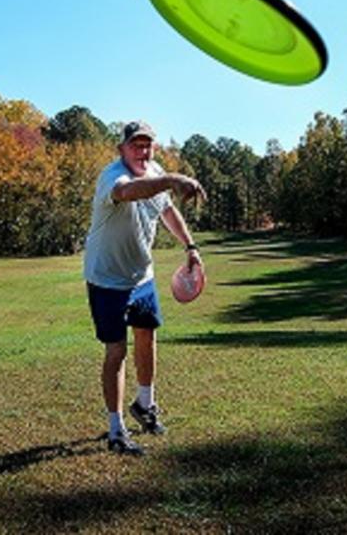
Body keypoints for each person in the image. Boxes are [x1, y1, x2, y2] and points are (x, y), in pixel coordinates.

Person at [83, 120, 206, 456]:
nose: (143, 151)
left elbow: (167, 211)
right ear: (121, 149)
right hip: (107, 278)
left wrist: (191, 248)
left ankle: (145, 404)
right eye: (135, 145)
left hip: (142, 277)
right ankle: (116, 429)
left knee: (147, 336)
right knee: (116, 351)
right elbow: (127, 192)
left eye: (147, 145)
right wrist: (171, 179)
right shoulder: (113, 177)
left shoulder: (154, 170)